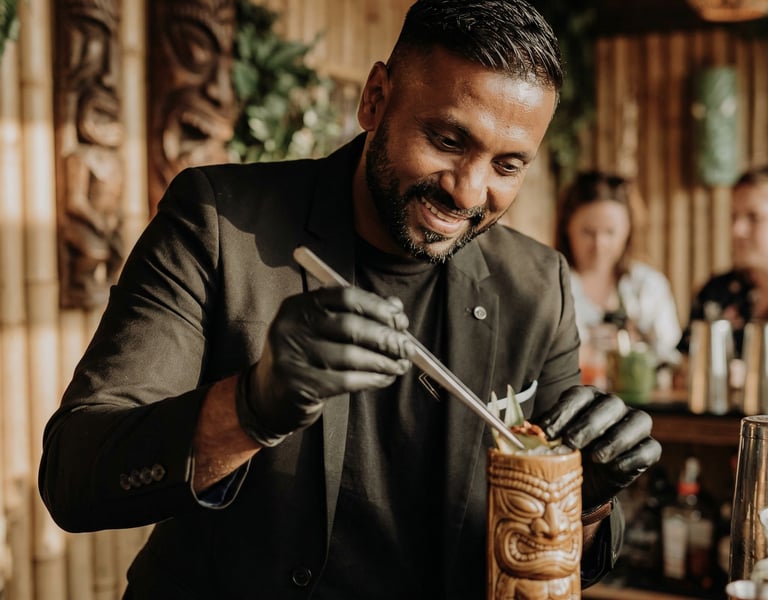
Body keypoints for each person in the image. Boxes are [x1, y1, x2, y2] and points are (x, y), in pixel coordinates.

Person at [38, 1, 661, 598]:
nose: (468, 192)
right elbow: (76, 478)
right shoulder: (220, 224)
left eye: (507, 165)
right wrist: (251, 407)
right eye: (447, 140)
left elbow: (548, 555)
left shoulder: (536, 284)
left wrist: (583, 501)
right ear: (376, 99)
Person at [555, 171, 682, 375]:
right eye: (588, 232)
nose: (599, 244)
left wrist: (637, 344)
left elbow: (670, 356)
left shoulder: (648, 285)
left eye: (610, 232)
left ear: (628, 231)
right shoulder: (551, 286)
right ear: (567, 227)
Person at [679, 166, 768, 357]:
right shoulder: (716, 292)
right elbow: (682, 365)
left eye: (753, 217)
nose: (737, 230)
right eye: (734, 217)